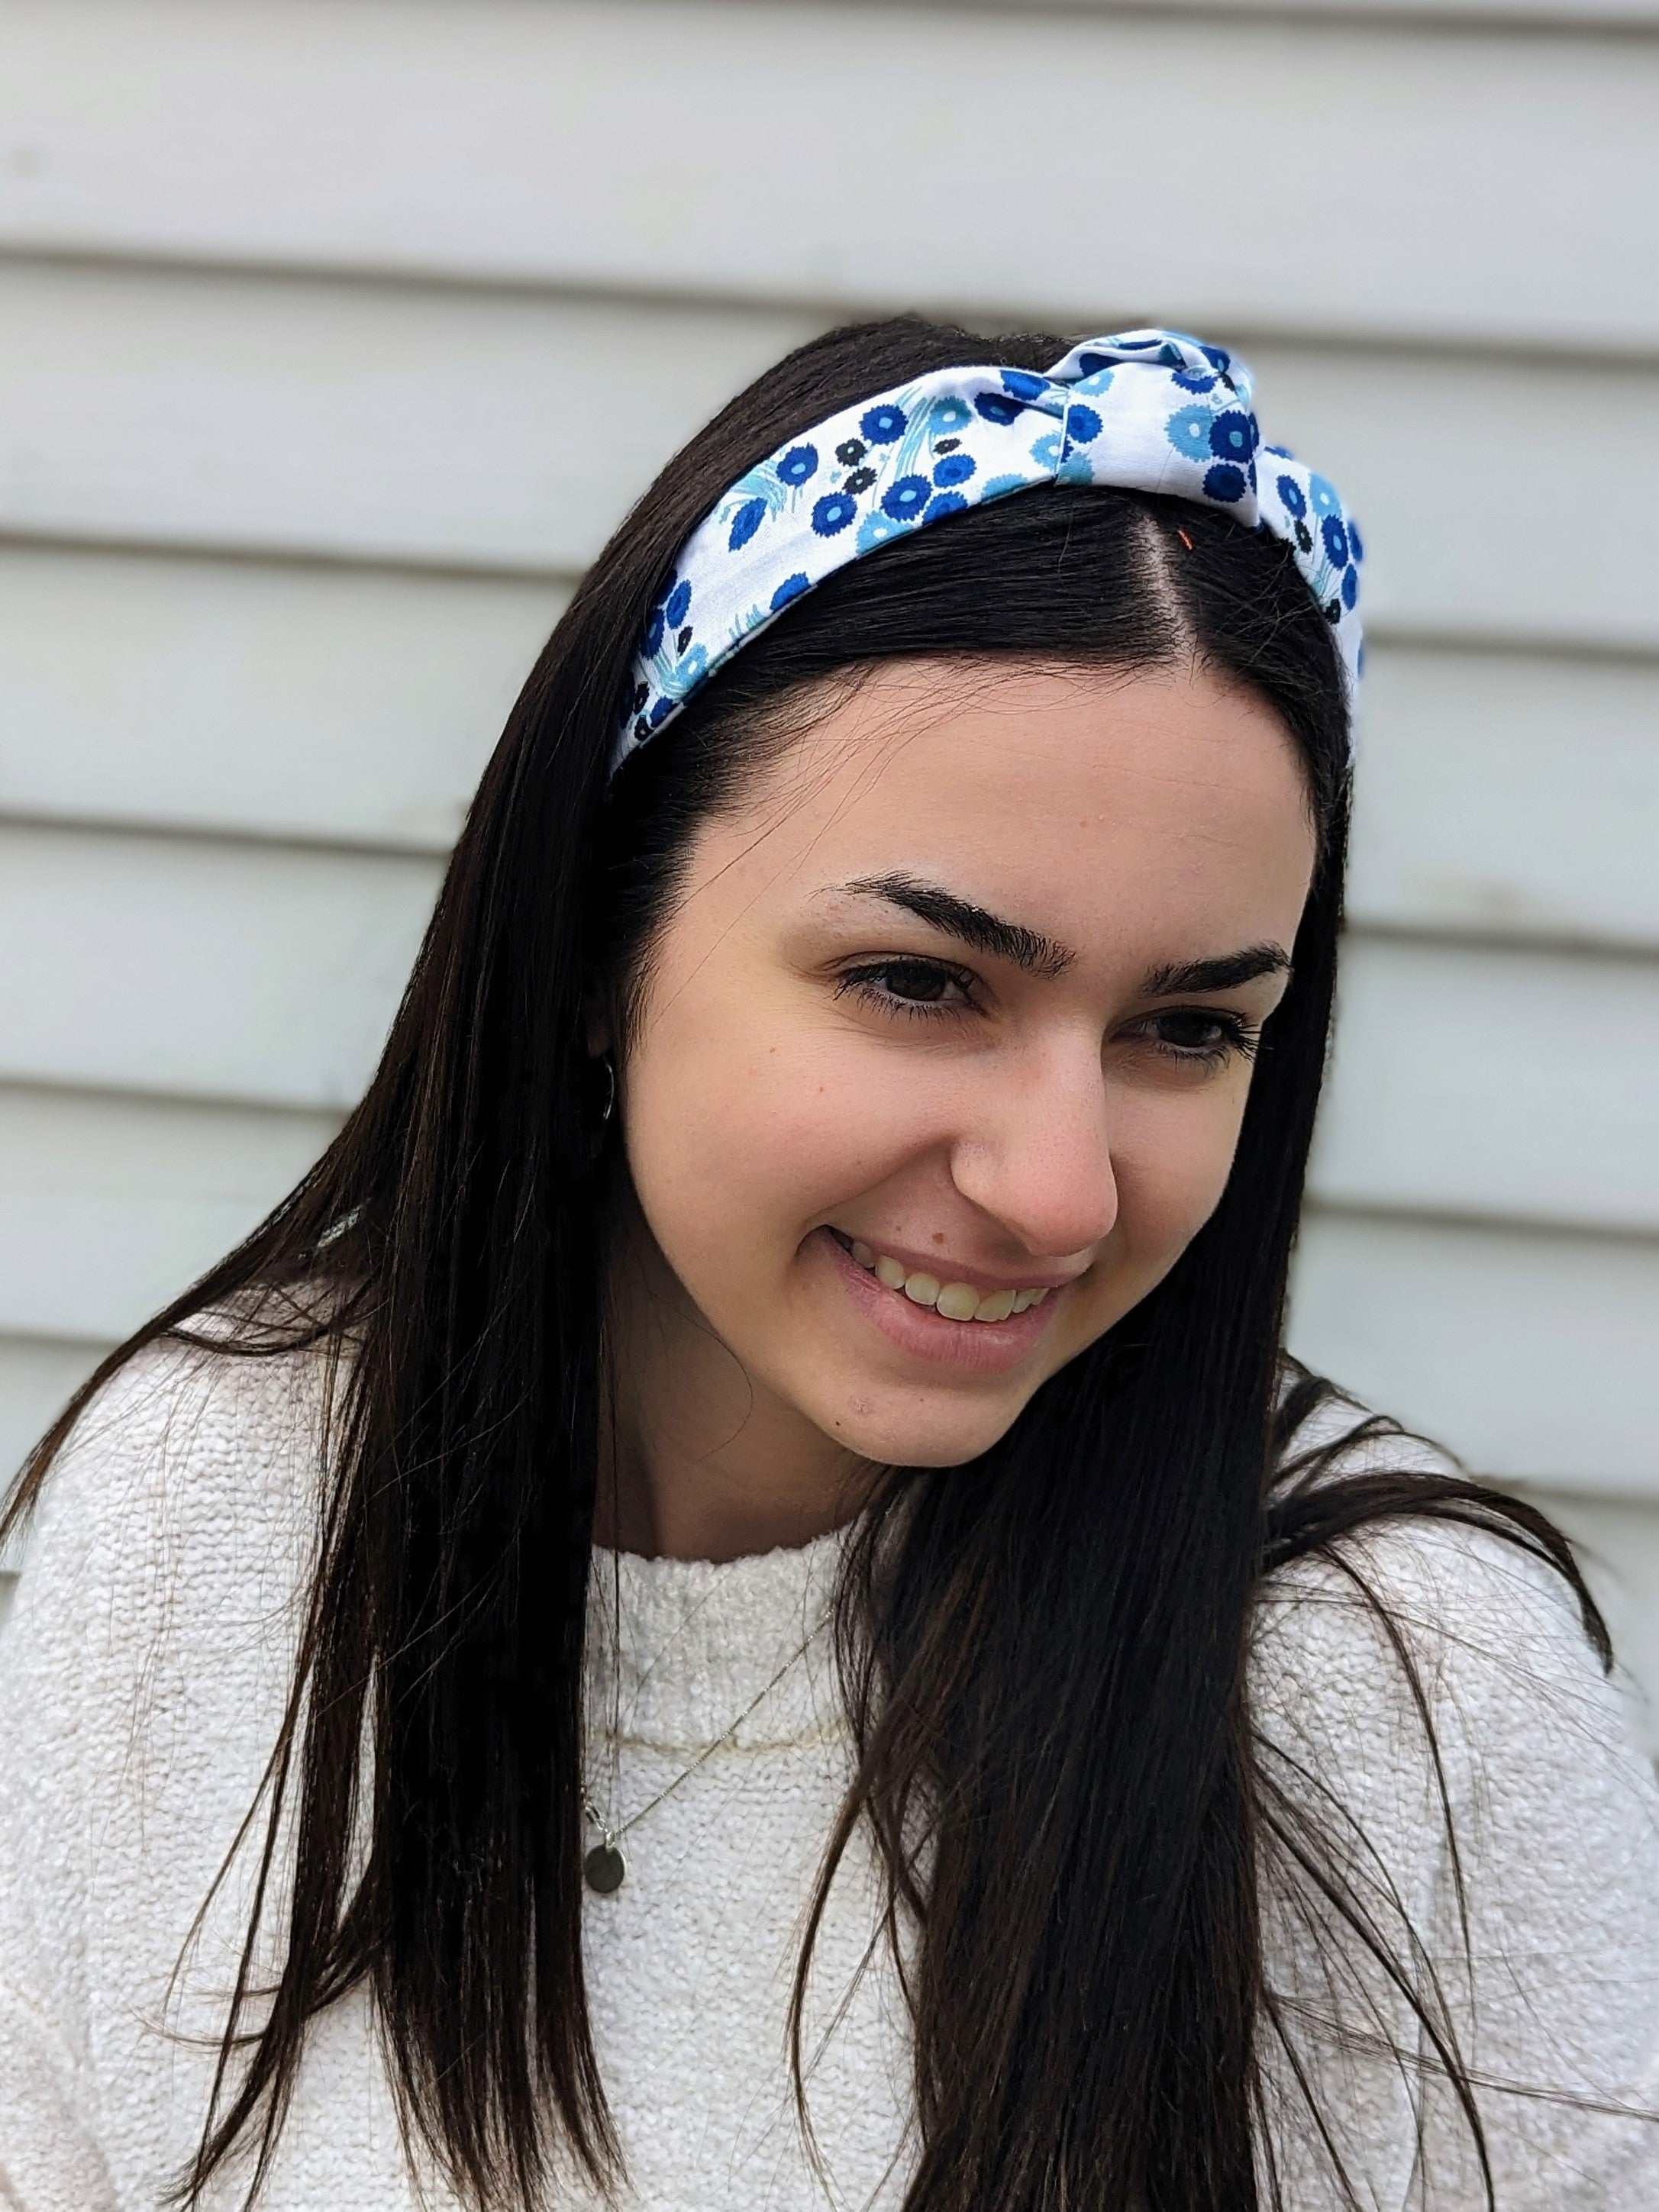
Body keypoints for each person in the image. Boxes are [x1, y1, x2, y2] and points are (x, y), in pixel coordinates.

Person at [1, 318, 1654, 2212]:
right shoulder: (204, 1521)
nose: (1057, 1192)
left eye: (1188, 1028)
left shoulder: (1401, 1696)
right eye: (918, 981)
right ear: (594, 946)